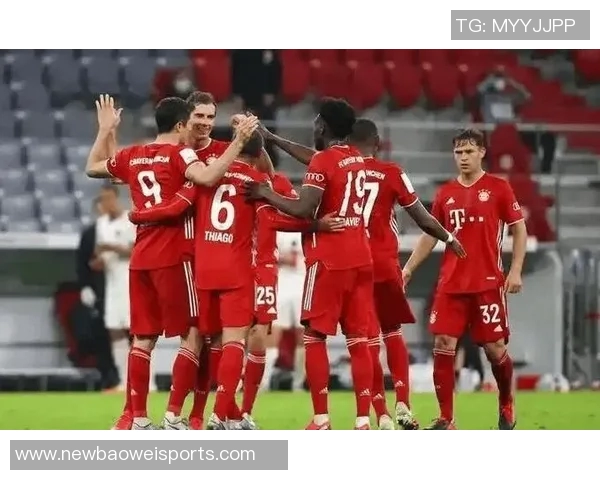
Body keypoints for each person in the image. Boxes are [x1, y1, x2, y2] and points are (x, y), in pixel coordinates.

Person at [85, 94, 258, 430]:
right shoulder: (182, 153)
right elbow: (206, 177)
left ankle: (137, 417)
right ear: (182, 124)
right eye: (196, 118)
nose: (202, 124)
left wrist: (105, 130)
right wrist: (238, 142)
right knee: (193, 333)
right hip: (178, 255)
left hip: (140, 257)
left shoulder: (135, 154)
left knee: (142, 339)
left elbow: (94, 167)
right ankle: (175, 415)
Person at [243, 97, 375, 430]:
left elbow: (303, 208)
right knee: (358, 340)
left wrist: (264, 193)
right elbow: (315, 159)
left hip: (329, 259)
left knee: (314, 337)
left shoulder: (324, 162)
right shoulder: (354, 158)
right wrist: (273, 139)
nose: (313, 126)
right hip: (361, 257)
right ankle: (363, 421)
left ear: (324, 126)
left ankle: (321, 419)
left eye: (316, 122)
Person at [402, 128, 528, 430]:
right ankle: (447, 418)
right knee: (443, 342)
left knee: (495, 349)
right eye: (458, 152)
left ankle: (506, 402)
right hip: (451, 284)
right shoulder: (446, 193)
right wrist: (408, 268)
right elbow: (431, 234)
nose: (463, 157)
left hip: (487, 283)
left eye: (469, 151)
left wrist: (515, 270)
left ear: (482, 152)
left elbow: (519, 228)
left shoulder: (498, 187)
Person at [347, 118, 465, 429]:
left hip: (353, 264)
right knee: (392, 331)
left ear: (349, 143)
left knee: (366, 340)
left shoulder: (342, 172)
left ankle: (382, 413)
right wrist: (448, 237)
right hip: (385, 264)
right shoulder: (392, 172)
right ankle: (403, 403)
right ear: (377, 144)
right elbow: (421, 216)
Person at [94, 184, 137, 392]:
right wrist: (99, 260)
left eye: (109, 198)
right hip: (112, 283)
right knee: (114, 331)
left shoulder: (130, 220)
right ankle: (123, 380)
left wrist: (111, 247)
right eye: (103, 199)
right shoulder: (101, 223)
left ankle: (146, 382)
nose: (107, 203)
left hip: (130, 281)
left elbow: (136, 250)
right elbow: (101, 252)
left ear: (117, 198)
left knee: (136, 332)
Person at [76, 196, 118, 390]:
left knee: (124, 335)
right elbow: (82, 263)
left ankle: (126, 377)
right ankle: (107, 377)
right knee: (101, 335)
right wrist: (85, 286)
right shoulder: (90, 234)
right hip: (99, 292)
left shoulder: (122, 229)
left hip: (120, 289)